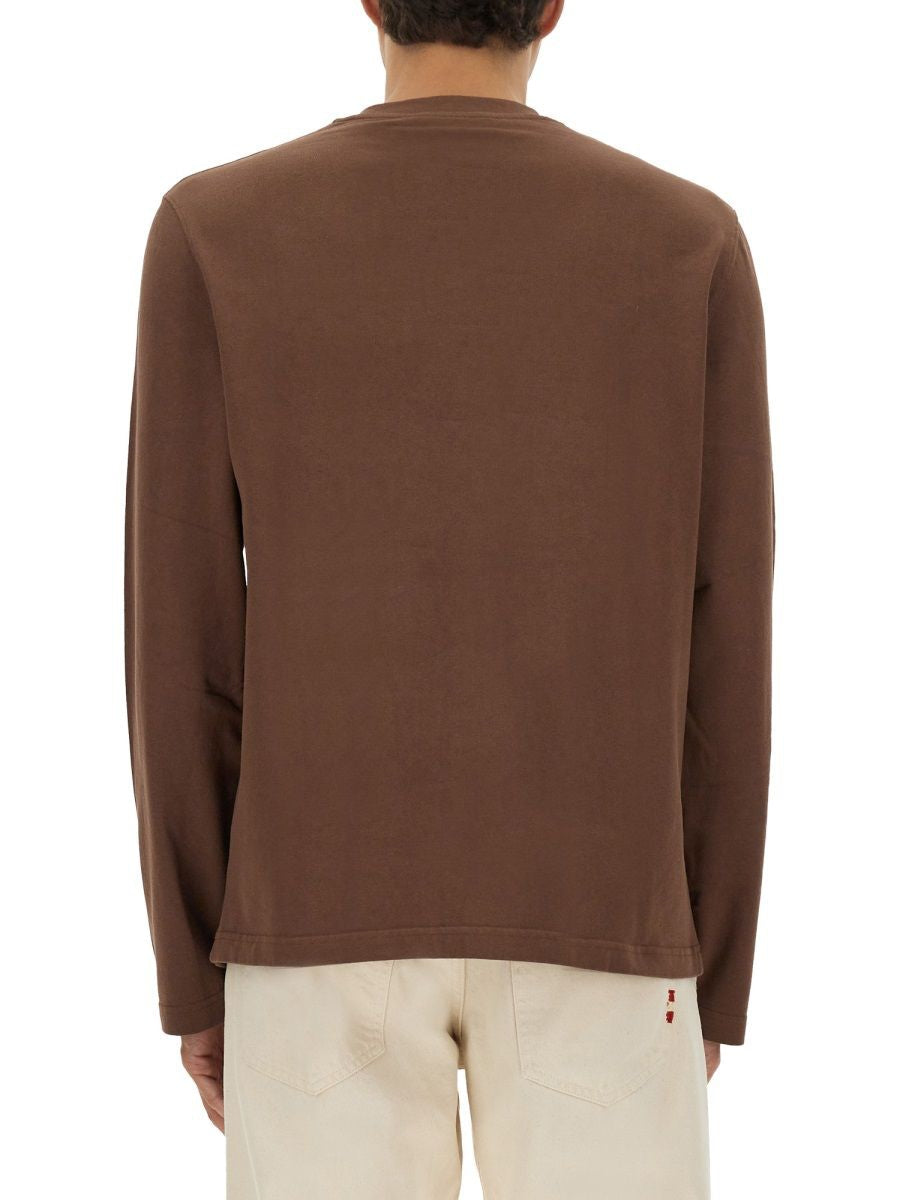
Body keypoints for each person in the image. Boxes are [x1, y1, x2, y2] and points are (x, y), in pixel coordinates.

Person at [125, 1, 773, 1195]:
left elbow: (181, 642)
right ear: (553, 8)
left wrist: (196, 962)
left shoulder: (216, 231)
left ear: (371, 1)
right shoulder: (687, 244)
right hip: (604, 927)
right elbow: (727, 635)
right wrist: (710, 967)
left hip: (312, 926)